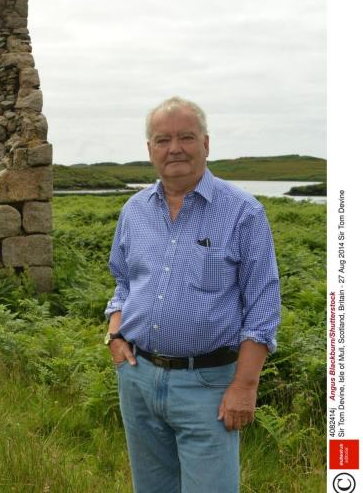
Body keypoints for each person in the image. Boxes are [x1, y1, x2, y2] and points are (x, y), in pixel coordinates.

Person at [105, 96, 281, 493]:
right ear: (150, 149)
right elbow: (123, 282)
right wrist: (115, 335)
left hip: (209, 386)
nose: (175, 148)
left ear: (206, 143)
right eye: (162, 139)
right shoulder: (134, 210)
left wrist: (245, 386)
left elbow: (263, 308)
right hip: (138, 380)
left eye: (186, 137)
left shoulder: (243, 213)